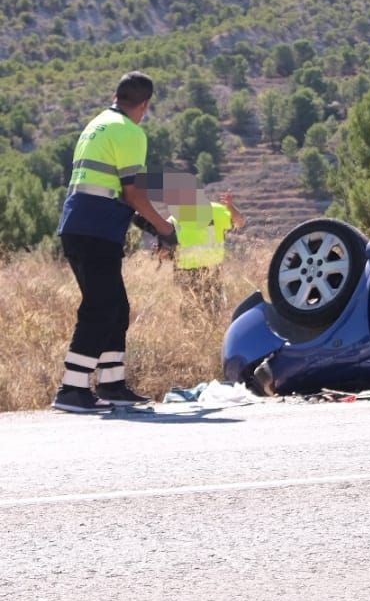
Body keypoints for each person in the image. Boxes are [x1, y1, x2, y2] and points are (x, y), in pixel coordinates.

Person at [52, 72, 175, 413]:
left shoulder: (97, 124)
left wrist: (150, 226)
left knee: (116, 306)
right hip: (96, 229)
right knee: (101, 306)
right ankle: (72, 389)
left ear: (117, 95)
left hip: (80, 224)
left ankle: (111, 383)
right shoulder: (130, 131)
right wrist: (164, 227)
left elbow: (112, 190)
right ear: (145, 106)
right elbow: (132, 191)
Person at [163, 174, 245, 310]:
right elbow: (164, 250)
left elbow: (240, 222)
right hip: (187, 273)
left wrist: (231, 207)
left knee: (212, 310)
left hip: (211, 270)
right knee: (192, 312)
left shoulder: (216, 210)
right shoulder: (175, 218)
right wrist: (163, 252)